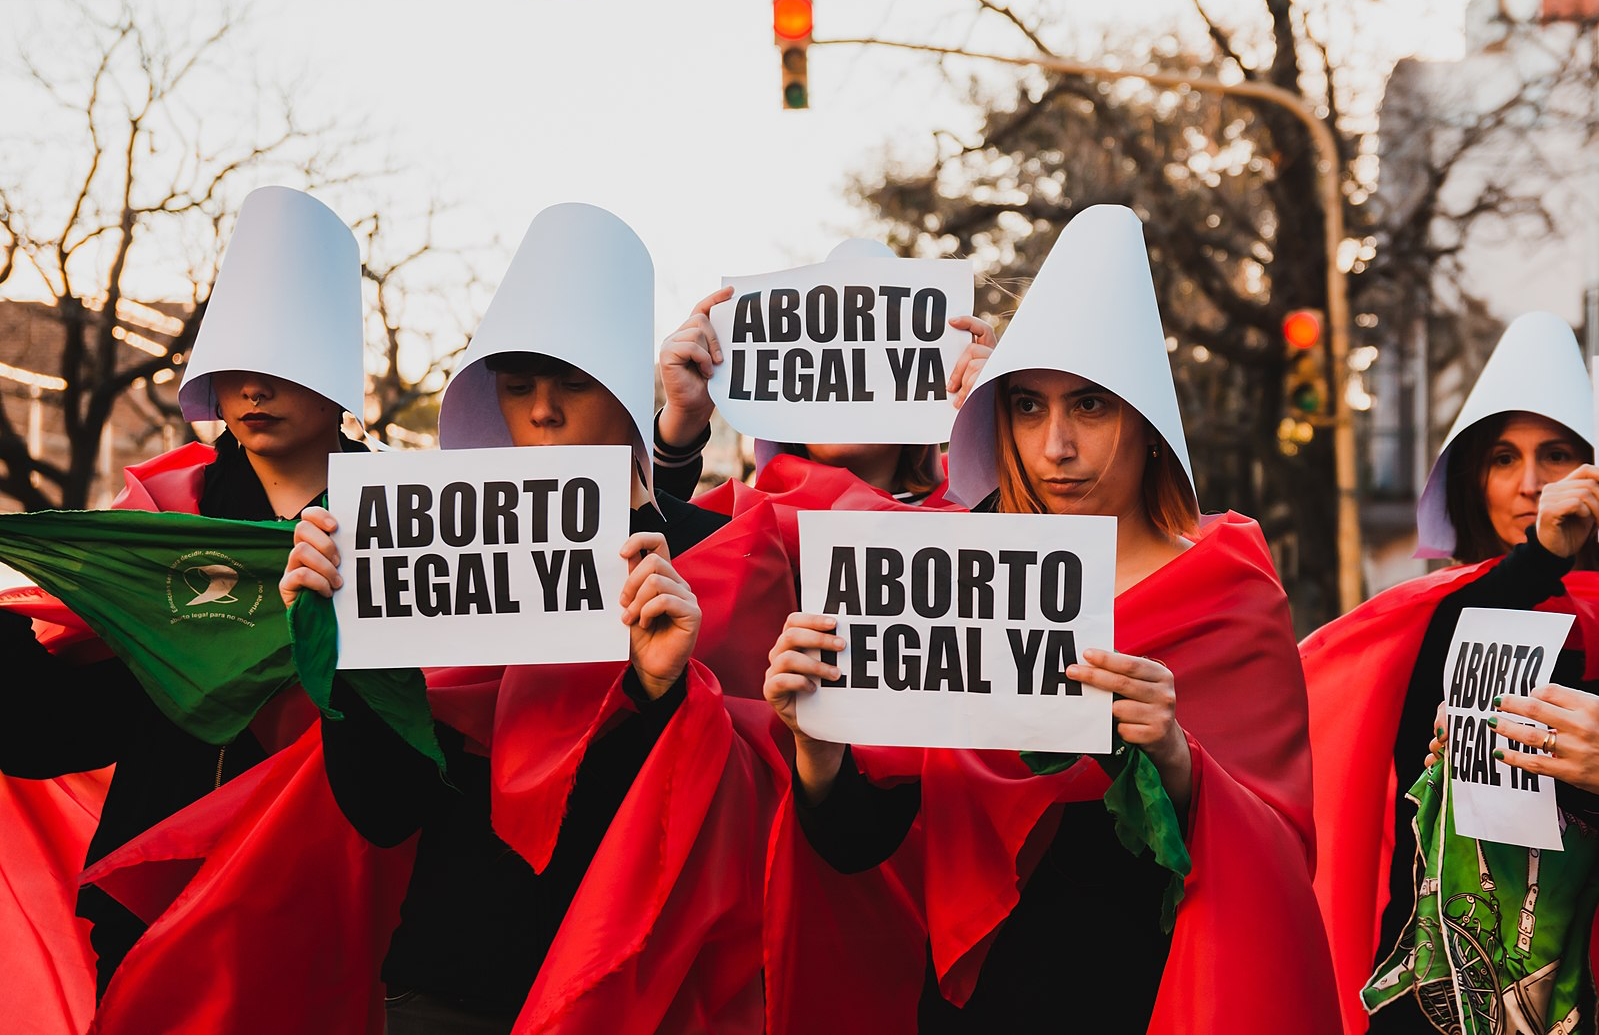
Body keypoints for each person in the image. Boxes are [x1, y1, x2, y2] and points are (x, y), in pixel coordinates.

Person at [760, 204, 1339, 1034]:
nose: (1056, 445)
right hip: (968, 1007)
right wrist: (817, 743)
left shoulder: (1226, 594)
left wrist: (1174, 757)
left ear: (1145, 425)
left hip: (1148, 997)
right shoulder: (946, 572)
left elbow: (1275, 848)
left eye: (1090, 408)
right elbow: (859, 840)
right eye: (1028, 407)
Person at [281, 202, 785, 1034]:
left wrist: (663, 694)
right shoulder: (425, 548)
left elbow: (737, 831)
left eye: (572, 383)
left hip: (637, 995)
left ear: (624, 392)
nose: (543, 412)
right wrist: (339, 648)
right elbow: (383, 808)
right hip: (445, 991)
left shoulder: (718, 557)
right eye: (517, 388)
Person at [0, 185, 367, 998]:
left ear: (336, 365)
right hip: (152, 927)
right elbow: (63, 725)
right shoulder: (165, 521)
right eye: (233, 357)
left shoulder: (408, 526)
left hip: (333, 933)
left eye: (282, 355)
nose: (253, 385)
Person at [1301, 312, 1599, 1031]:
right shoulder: (1431, 616)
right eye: (1502, 459)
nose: (1529, 484)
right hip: (1434, 991)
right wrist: (1541, 558)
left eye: (1555, 455)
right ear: (1473, 481)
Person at [652, 237, 994, 505]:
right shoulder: (732, 523)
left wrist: (996, 412)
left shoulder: (982, 515)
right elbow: (623, 540)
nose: (850, 374)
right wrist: (683, 421)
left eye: (874, 359)